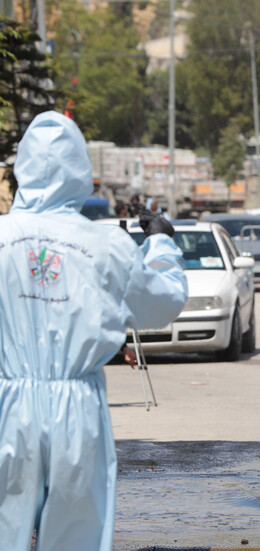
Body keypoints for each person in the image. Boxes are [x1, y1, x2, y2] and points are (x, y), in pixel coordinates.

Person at [0, 111, 188, 551]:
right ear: (80, 171)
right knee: (77, 535)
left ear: (22, 168)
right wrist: (161, 243)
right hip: (75, 412)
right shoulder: (105, 245)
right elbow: (161, 303)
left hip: (6, 405)